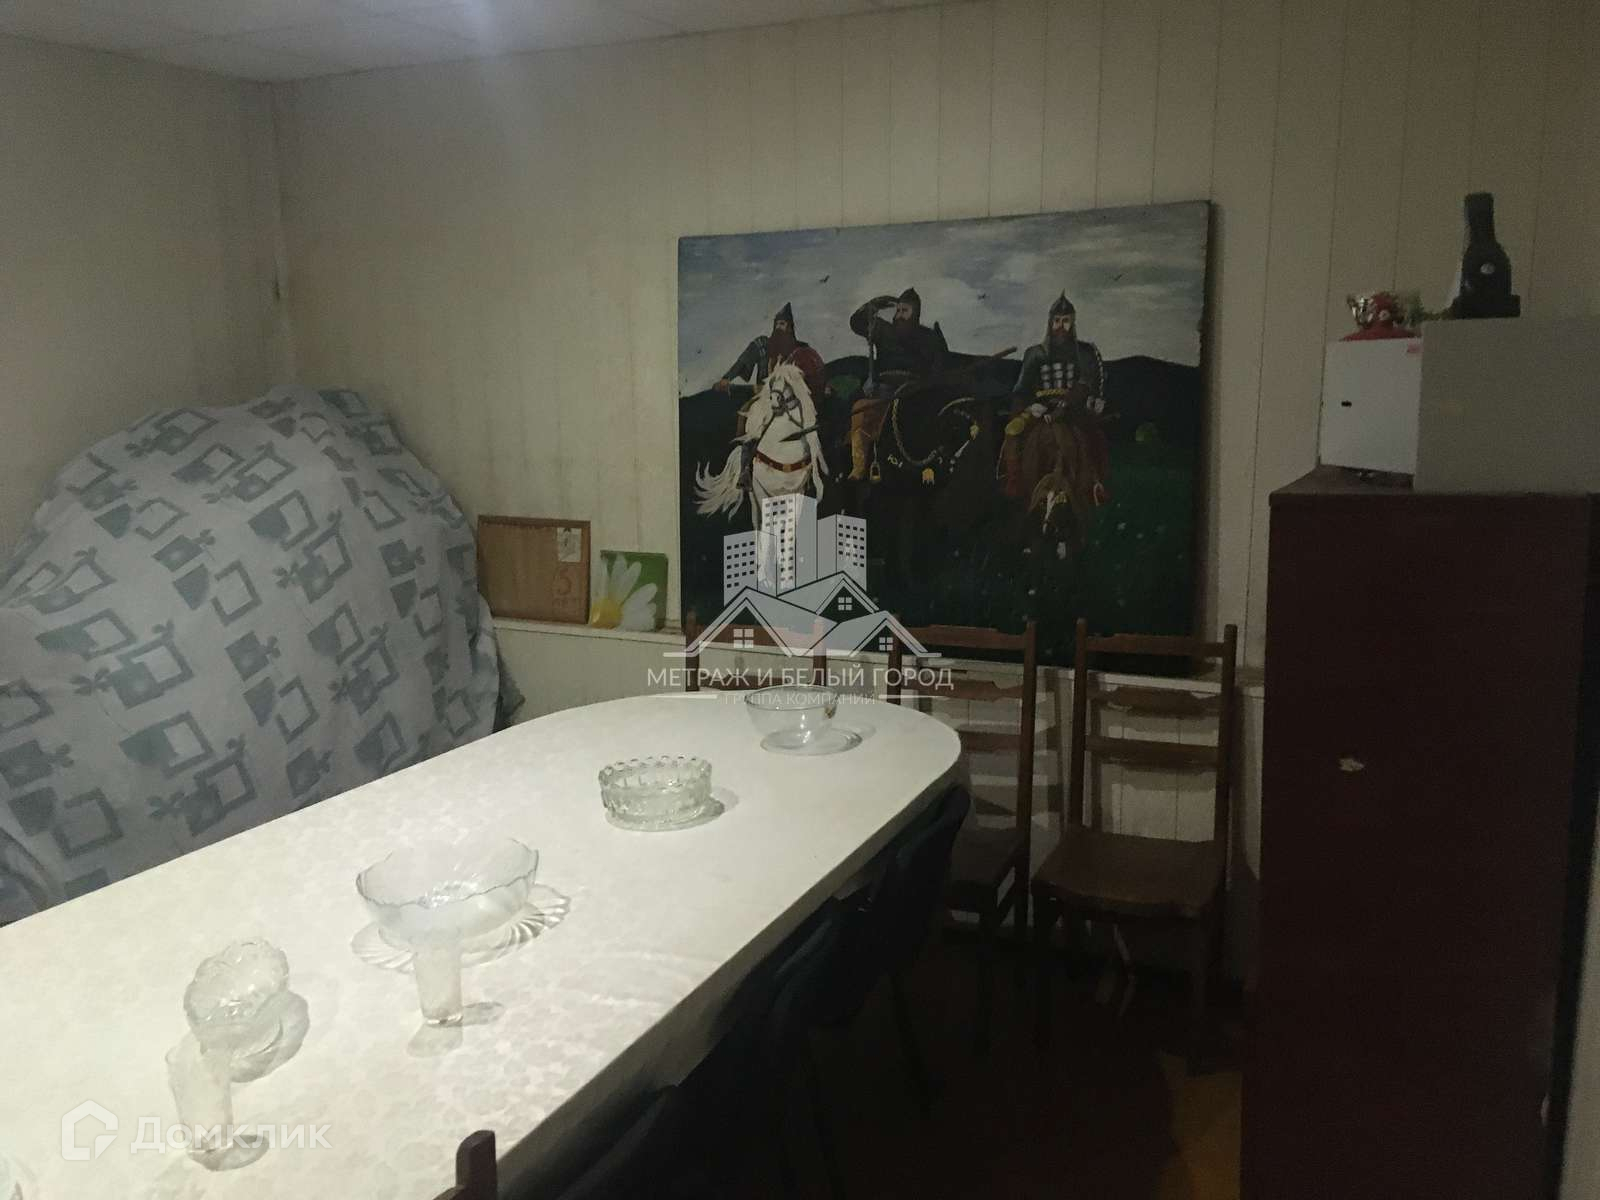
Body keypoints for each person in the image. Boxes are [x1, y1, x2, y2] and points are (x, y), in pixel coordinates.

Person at [998, 292, 1111, 510]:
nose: (1061, 326)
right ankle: (1013, 481)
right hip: (1040, 406)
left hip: (1074, 408)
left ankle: (1096, 484)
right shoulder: (1034, 353)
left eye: (1066, 321)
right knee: (1012, 431)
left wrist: (1069, 405)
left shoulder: (1084, 352)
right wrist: (1029, 406)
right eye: (1057, 320)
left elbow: (1086, 383)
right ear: (1050, 322)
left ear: (1073, 323)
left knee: (1093, 436)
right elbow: (1021, 390)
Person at [845, 288, 948, 481]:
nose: (899, 315)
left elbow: (938, 370)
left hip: (915, 392)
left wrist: (923, 386)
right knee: (859, 409)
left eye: (905, 311)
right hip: (884, 389)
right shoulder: (884, 330)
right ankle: (858, 468)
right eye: (898, 310)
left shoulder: (928, 337)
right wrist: (874, 304)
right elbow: (857, 322)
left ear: (915, 313)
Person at [712, 303, 827, 401]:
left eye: (782, 324)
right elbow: (743, 360)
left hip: (793, 399)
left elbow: (813, 375)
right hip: (764, 396)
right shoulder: (763, 345)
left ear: (790, 328)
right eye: (776, 324)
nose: (778, 327)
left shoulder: (801, 350)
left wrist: (822, 387)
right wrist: (727, 378)